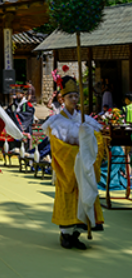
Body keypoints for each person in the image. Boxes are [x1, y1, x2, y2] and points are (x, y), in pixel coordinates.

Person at [42, 74, 105, 250]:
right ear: (62, 99)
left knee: (84, 197)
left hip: (84, 166)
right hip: (68, 167)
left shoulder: (85, 120)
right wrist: (79, 153)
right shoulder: (56, 122)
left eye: (76, 96)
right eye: (70, 96)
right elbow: (58, 148)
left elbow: (98, 141)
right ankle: (65, 235)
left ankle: (77, 234)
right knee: (68, 198)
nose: (74, 99)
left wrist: (89, 152)